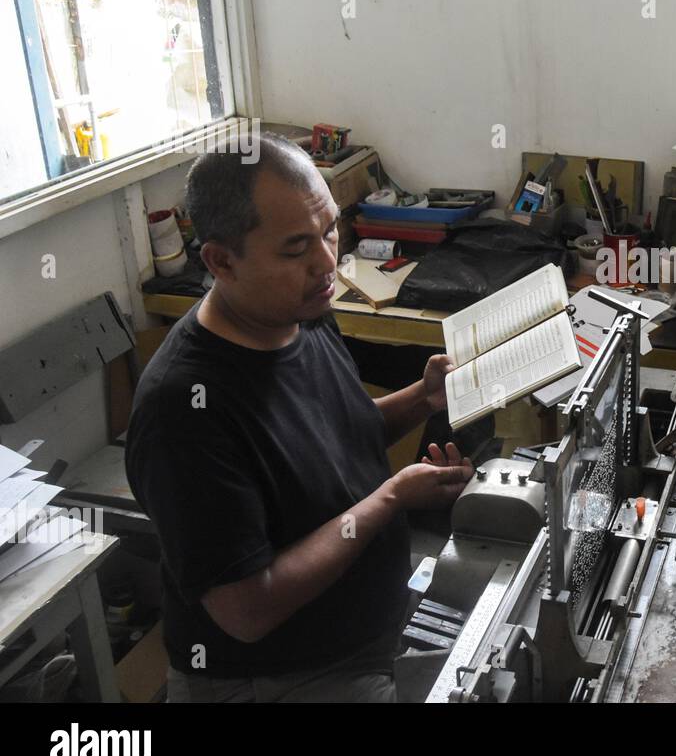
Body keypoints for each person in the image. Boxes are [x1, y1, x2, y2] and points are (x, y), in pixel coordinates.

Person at [126, 133, 469, 701]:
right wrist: (391, 498)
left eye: (330, 230)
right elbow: (247, 608)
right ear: (220, 260)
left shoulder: (299, 312)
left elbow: (338, 436)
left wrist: (422, 397)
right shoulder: (184, 408)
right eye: (295, 249)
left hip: (363, 635)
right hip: (277, 678)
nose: (327, 261)